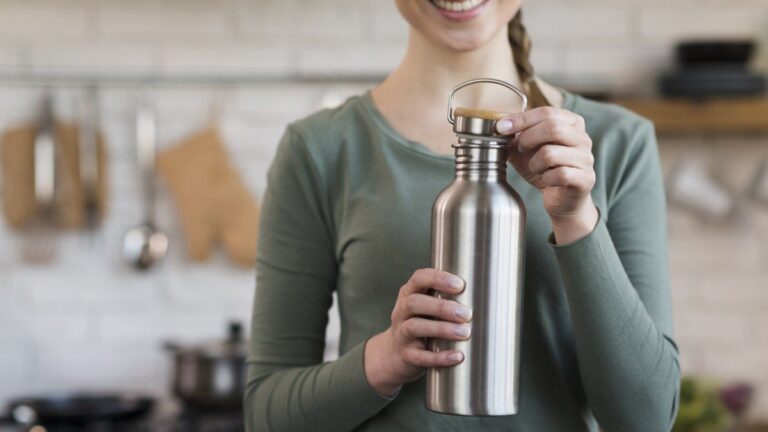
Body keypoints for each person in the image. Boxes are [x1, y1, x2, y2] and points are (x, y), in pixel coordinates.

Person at [245, 0, 680, 430]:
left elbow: (647, 420)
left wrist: (577, 218)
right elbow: (267, 416)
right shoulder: (319, 150)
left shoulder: (617, 143)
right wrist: (384, 360)